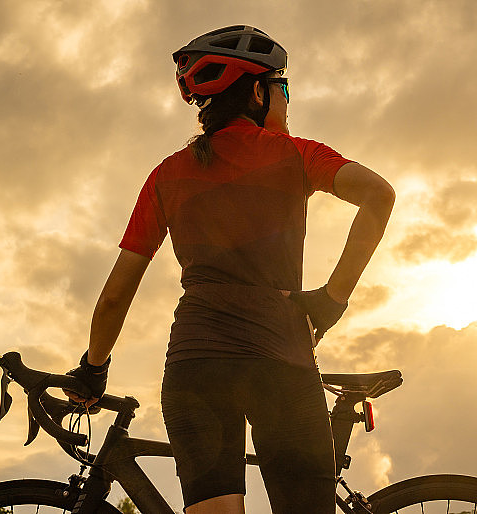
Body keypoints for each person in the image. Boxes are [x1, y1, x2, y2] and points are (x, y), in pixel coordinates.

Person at [62, 25, 395, 514]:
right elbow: (379, 195)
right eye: (284, 87)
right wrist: (329, 300)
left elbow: (116, 294)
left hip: (196, 365)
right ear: (259, 92)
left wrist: (93, 368)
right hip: (280, 358)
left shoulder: (166, 175)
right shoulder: (296, 154)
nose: (287, 100)